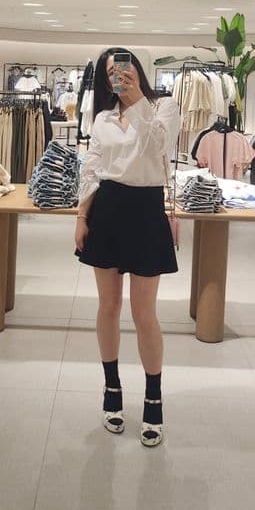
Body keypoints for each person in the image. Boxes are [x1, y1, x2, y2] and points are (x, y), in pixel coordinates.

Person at [75, 47, 181, 447]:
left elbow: (159, 147)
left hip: (146, 211)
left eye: (126, 67)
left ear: (137, 68)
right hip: (107, 210)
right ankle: (111, 389)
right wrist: (82, 216)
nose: (120, 75)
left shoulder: (164, 107)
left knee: (144, 313)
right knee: (108, 306)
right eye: (111, 73)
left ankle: (154, 398)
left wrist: (136, 100)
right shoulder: (102, 118)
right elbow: (92, 168)